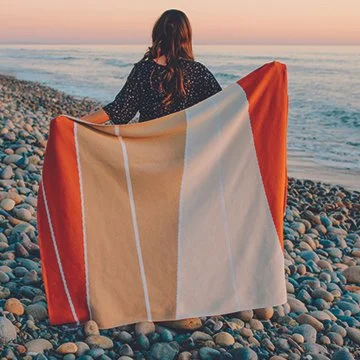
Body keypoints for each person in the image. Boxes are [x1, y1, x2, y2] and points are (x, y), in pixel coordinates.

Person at [80, 9, 222, 125]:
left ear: (157, 33)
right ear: (186, 36)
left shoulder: (144, 70)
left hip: (150, 150)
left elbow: (120, 110)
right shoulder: (198, 72)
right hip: (186, 150)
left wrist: (77, 122)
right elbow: (224, 106)